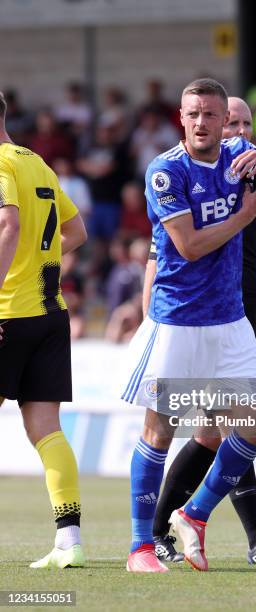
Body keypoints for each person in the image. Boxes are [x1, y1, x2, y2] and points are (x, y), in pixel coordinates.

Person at [120, 78, 256, 574]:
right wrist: (247, 213)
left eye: (210, 115)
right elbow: (190, 246)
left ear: (226, 122)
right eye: (192, 114)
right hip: (178, 319)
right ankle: (140, 547)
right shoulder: (165, 172)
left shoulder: (239, 155)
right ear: (181, 118)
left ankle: (194, 515)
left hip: (229, 321)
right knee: (160, 430)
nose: (200, 122)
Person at [0, 91, 87, 568]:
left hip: (9, 312)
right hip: (50, 315)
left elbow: (8, 227)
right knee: (46, 430)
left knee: (44, 430)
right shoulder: (38, 163)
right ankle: (68, 539)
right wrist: (41, 263)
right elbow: (76, 231)